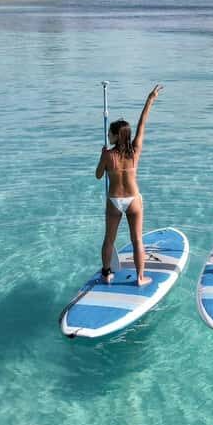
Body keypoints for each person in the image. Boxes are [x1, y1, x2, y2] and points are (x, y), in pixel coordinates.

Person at [95, 85, 162, 286]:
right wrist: (150, 100)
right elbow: (142, 124)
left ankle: (106, 273)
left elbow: (99, 176)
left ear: (116, 136)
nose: (108, 135)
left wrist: (102, 157)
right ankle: (140, 278)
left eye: (110, 133)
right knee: (137, 240)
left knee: (109, 240)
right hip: (133, 199)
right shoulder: (135, 151)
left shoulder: (108, 155)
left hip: (114, 200)